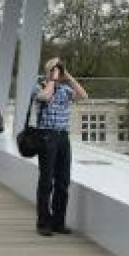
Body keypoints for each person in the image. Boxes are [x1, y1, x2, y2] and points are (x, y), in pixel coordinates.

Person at [34, 57, 88, 237]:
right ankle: (43, 223)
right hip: (47, 135)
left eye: (59, 68)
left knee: (63, 181)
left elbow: (83, 96)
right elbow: (46, 96)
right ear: (48, 70)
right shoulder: (39, 85)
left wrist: (69, 77)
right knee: (46, 181)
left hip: (63, 136)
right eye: (55, 68)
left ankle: (58, 221)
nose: (58, 71)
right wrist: (53, 79)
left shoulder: (65, 89)